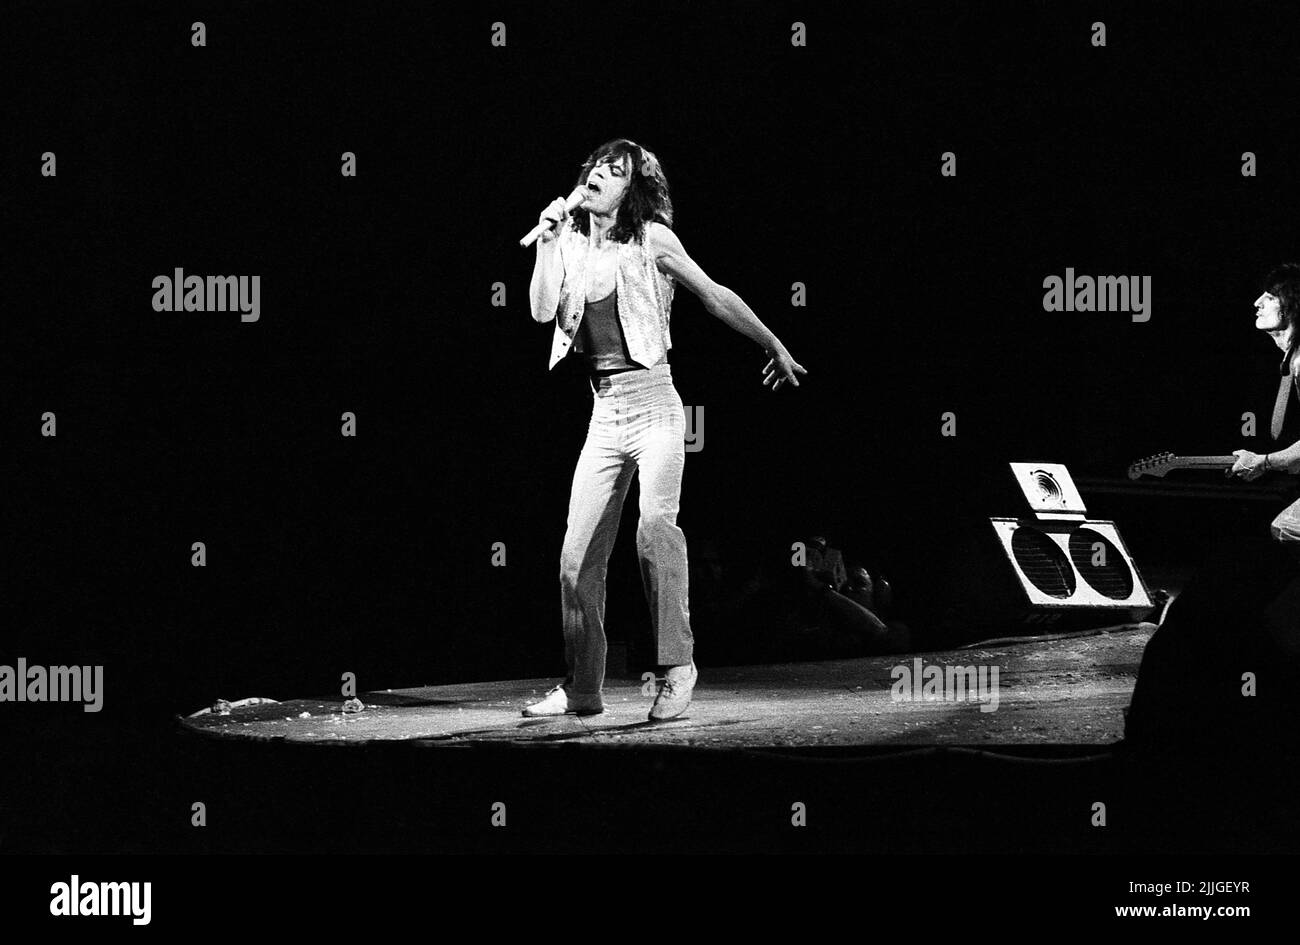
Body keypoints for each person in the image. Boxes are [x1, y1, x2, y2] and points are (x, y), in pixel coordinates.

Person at [523, 138, 807, 721]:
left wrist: (772, 342)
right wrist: (546, 243)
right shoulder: (570, 242)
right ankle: (583, 688)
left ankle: (678, 669)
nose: (600, 172)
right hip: (604, 414)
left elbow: (712, 295)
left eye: (616, 169)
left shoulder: (652, 239)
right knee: (575, 559)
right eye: (597, 164)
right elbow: (541, 311)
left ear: (633, 188)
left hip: (654, 405)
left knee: (655, 529)